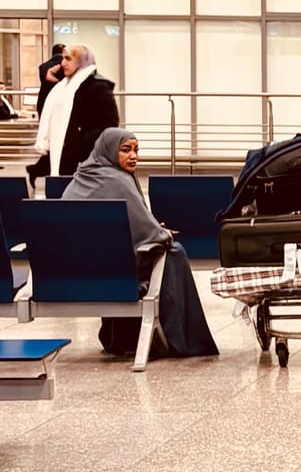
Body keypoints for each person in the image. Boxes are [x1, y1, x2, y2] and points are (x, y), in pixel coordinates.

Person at [65, 128, 219, 359]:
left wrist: (152, 228)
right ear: (110, 151)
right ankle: (180, 339)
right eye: (126, 150)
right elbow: (148, 233)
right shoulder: (119, 181)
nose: (133, 156)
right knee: (173, 252)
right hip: (116, 275)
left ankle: (120, 337)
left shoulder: (78, 179)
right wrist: (162, 233)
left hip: (77, 275)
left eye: (136, 150)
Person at [32, 43, 119, 185]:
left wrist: (80, 142)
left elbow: (110, 122)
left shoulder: (98, 87)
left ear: (81, 61)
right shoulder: (63, 86)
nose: (63, 63)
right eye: (63, 58)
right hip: (66, 156)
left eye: (68, 59)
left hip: (86, 159)